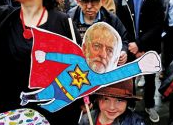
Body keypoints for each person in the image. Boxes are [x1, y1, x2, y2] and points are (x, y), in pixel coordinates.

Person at [19, 22, 161, 113]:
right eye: (97, 46)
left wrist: (140, 66)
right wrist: (46, 56)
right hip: (56, 85)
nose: (103, 55)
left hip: (67, 98)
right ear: (85, 47)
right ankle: (27, 96)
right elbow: (62, 57)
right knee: (42, 94)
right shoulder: (78, 59)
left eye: (110, 51)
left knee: (48, 109)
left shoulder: (100, 78)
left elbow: (121, 73)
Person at [116, 0, 165, 123]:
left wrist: (140, 45)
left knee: (150, 79)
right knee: (130, 79)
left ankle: (149, 105)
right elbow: (120, 25)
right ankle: (130, 105)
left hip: (149, 46)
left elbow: (158, 24)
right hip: (130, 47)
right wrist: (131, 46)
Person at [70, 0, 128, 65]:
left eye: (94, 1)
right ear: (77, 0)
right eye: (85, 1)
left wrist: (123, 51)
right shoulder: (69, 19)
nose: (89, 6)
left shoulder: (111, 20)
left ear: (102, 0)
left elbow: (123, 39)